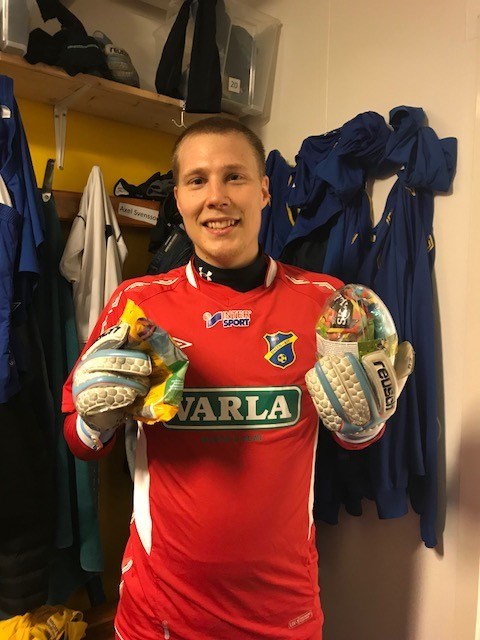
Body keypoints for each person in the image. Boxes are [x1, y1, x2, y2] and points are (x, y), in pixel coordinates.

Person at [62, 117, 411, 640]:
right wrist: (96, 419)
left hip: (283, 612)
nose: (216, 197)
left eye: (234, 177)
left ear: (264, 191)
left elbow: (356, 438)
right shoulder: (137, 304)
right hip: (159, 614)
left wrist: (366, 420)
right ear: (178, 199)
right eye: (197, 180)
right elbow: (79, 441)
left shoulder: (326, 304)